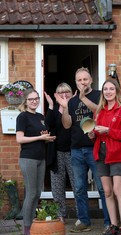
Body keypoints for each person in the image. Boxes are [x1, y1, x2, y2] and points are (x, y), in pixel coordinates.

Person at [55, 67, 110, 233]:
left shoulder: (99, 95)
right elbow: (67, 124)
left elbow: (97, 110)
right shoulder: (72, 101)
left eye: (85, 79)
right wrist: (65, 107)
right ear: (75, 81)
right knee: (79, 188)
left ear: (91, 80)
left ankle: (109, 222)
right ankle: (84, 221)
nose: (82, 82)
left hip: (96, 148)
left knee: (102, 187)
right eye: (79, 80)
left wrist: (82, 97)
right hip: (77, 149)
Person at [90, 78, 121, 235]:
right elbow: (97, 133)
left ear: (117, 91)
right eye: (105, 89)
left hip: (118, 154)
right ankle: (113, 226)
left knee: (117, 190)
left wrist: (108, 130)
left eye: (111, 89)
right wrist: (93, 134)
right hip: (101, 155)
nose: (108, 92)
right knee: (107, 191)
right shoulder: (99, 111)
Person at [16, 88, 56, 235]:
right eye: (31, 99)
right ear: (25, 102)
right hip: (28, 158)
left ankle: (31, 222)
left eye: (36, 98)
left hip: (41, 158)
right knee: (31, 193)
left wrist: (46, 138)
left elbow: (42, 134)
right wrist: (39, 138)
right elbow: (19, 139)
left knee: (37, 193)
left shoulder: (40, 116)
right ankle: (27, 227)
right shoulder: (23, 117)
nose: (34, 101)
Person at [44, 83, 76, 224]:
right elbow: (47, 124)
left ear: (71, 93)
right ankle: (60, 215)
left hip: (73, 152)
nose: (64, 95)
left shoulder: (75, 108)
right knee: (57, 186)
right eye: (60, 92)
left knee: (77, 185)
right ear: (56, 95)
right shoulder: (55, 109)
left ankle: (81, 216)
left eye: (67, 92)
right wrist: (50, 105)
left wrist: (73, 103)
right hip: (56, 153)